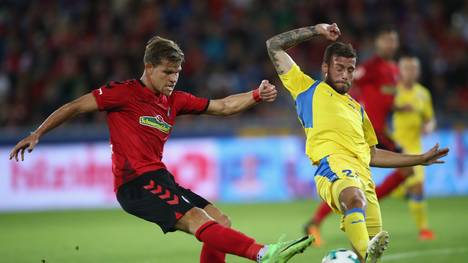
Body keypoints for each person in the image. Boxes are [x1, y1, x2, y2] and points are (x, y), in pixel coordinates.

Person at [9, 36, 313, 263]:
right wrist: (38, 133)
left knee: (220, 221)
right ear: (149, 67)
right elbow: (76, 106)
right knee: (197, 220)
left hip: (159, 178)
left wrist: (256, 95)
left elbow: (221, 106)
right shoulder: (124, 93)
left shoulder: (175, 101)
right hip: (135, 184)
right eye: (167, 72)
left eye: (177, 72)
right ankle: (262, 253)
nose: (173, 78)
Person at [266, 23, 448, 263]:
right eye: (339, 67)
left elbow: (373, 155)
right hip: (332, 168)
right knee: (354, 198)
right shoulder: (306, 89)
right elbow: (274, 46)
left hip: (365, 179)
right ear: (325, 68)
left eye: (350, 69)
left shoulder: (357, 110)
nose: (345, 74)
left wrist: (419, 159)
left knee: (368, 245)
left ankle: (365, 255)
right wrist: (317, 31)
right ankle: (364, 253)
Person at [304, 26, 414, 246]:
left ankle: (355, 212)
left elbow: (383, 99)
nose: (390, 44)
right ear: (377, 43)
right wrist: (347, 111)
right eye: (386, 39)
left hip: (380, 130)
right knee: (352, 182)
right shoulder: (371, 67)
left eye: (393, 40)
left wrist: (399, 108)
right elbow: (349, 86)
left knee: (404, 171)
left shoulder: (393, 70)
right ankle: (317, 221)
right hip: (360, 131)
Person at [392, 55, 436, 240]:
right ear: (400, 71)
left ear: (417, 71)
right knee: (397, 190)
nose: (410, 72)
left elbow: (430, 118)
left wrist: (429, 126)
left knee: (418, 186)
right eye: (406, 68)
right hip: (394, 149)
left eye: (413, 68)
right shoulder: (393, 91)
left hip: (415, 149)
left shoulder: (423, 93)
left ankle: (424, 229)